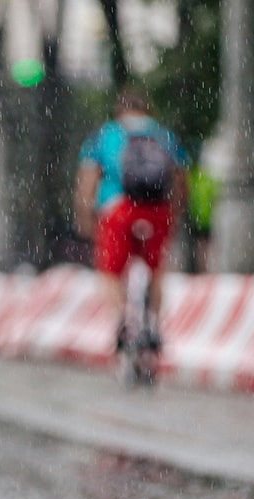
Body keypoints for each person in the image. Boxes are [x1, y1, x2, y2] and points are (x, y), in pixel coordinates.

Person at [73, 86, 190, 353]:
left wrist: (85, 215)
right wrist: (176, 209)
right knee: (156, 270)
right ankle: (154, 324)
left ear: (120, 110)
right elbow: (181, 178)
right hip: (157, 211)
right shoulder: (164, 135)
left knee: (110, 272)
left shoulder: (106, 135)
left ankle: (124, 319)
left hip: (118, 210)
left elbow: (88, 179)